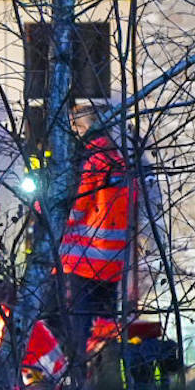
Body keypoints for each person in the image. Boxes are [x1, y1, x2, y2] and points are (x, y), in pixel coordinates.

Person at [57, 100, 133, 351]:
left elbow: (78, 204)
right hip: (113, 258)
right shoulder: (118, 159)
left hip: (86, 258)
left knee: (81, 323)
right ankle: (105, 375)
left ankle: (81, 375)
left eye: (75, 128)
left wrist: (53, 216)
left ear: (82, 127)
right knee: (105, 324)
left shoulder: (92, 159)